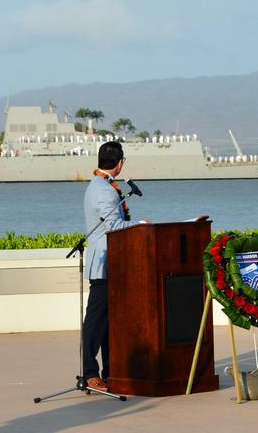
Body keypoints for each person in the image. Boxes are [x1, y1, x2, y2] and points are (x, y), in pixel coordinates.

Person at [82, 141, 142, 391]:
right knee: (96, 323)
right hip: (104, 264)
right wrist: (140, 225)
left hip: (113, 264)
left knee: (109, 322)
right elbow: (112, 227)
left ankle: (111, 371)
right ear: (120, 162)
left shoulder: (99, 185)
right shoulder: (104, 190)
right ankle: (89, 373)